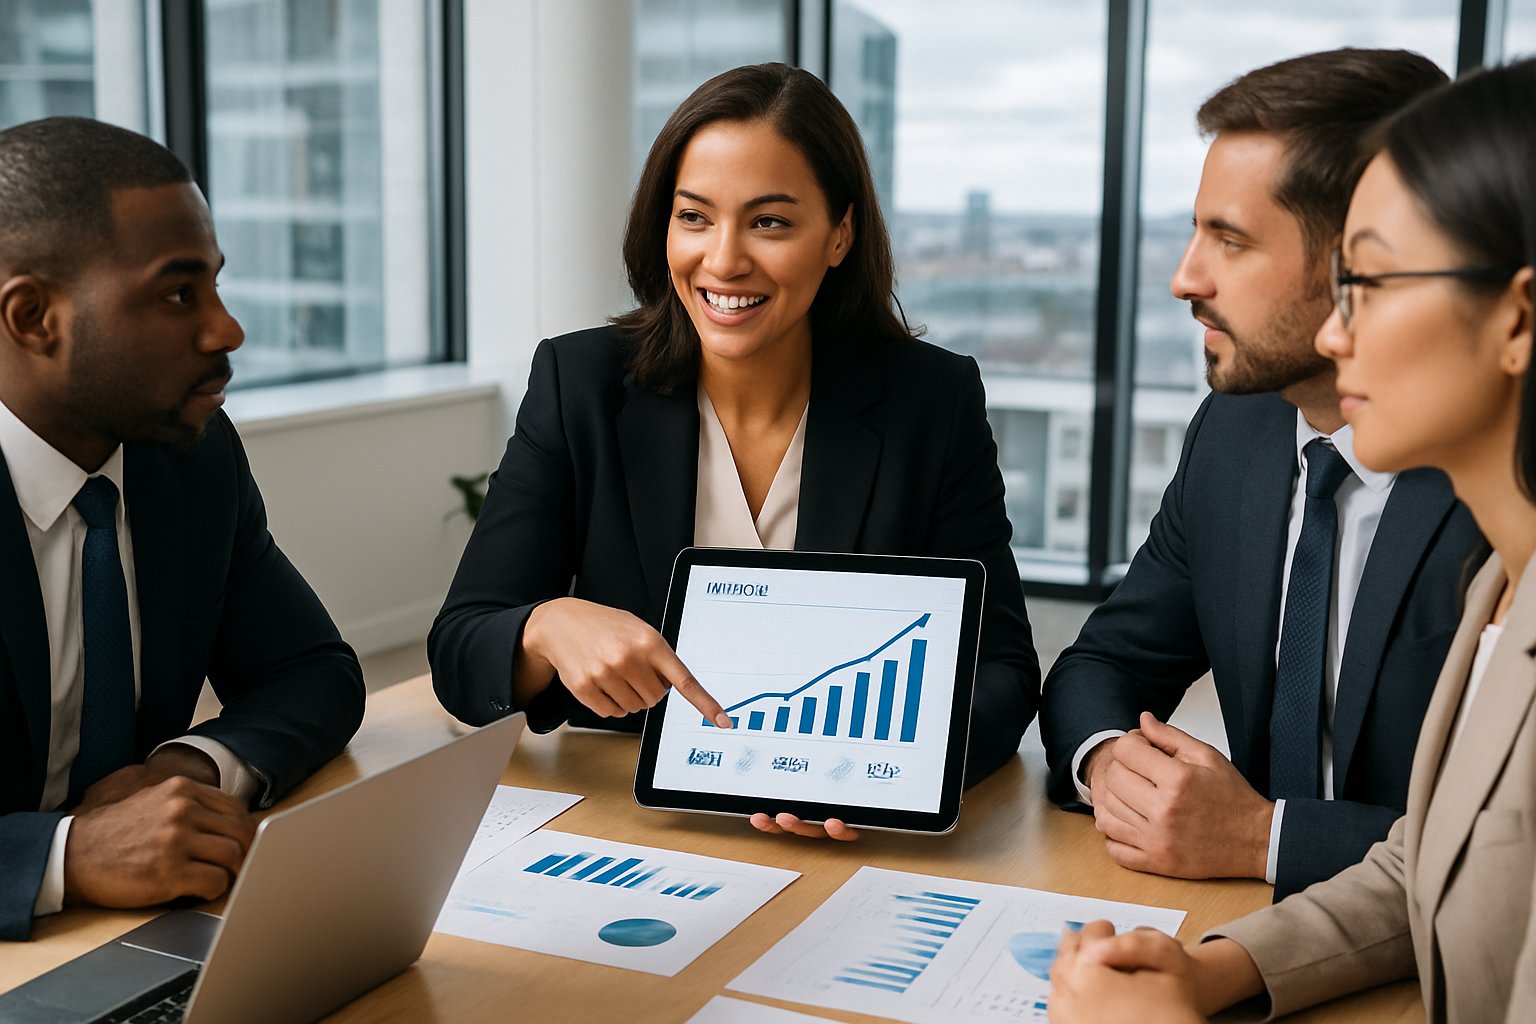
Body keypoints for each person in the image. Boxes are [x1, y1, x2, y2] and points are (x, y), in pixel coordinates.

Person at [429, 63, 1039, 839]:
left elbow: (1005, 671)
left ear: (840, 234)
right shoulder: (579, 383)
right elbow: (460, 649)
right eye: (694, 217)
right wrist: (544, 625)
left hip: (846, 838)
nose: (723, 260)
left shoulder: (932, 401)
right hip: (635, 826)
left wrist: (890, 778)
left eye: (770, 223)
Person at [1048, 57, 1536, 1024]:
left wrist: (1268, 838)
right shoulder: (1506, 593)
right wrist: (1218, 970)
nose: (1340, 332)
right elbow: (1429, 861)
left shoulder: (1485, 531)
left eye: (1374, 279)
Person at [0, 118, 366, 941]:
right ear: (33, 317)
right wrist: (64, 854)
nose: (226, 329)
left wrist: (185, 771)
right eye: (177, 294)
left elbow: (312, 672)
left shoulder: (189, 461)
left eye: (215, 285)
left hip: (143, 932)